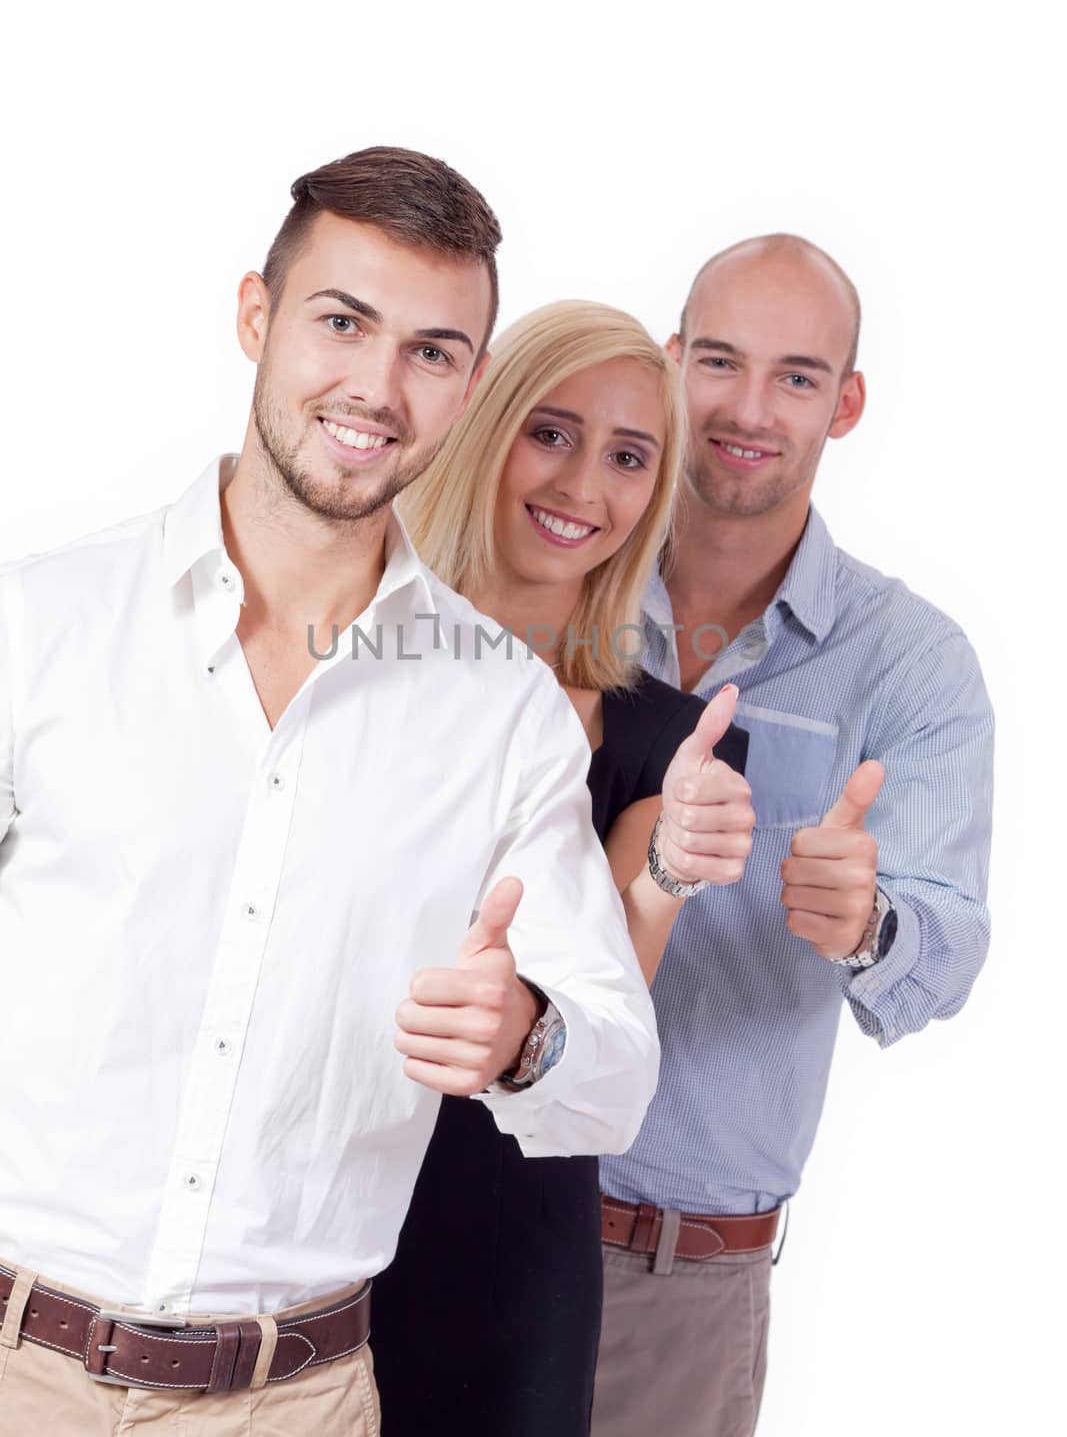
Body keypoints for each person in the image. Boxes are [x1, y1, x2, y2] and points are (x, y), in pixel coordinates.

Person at [0, 147, 694, 1435]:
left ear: (467, 384)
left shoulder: (499, 714)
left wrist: (524, 1036)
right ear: (256, 316)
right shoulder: (37, 628)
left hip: (294, 1401)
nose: (376, 388)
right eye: (341, 321)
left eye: (431, 350)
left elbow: (615, 1074)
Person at [591, 234, 995, 1437]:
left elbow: (948, 950)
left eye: (797, 376)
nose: (747, 409)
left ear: (846, 401)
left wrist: (865, 918)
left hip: (669, 1276)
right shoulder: (561, 572)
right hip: (454, 1206)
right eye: (717, 361)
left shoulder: (911, 661)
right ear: (667, 365)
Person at [370, 300, 755, 1434]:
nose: (583, 484)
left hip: (505, 1233)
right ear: (484, 427)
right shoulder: (351, 660)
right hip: (313, 1197)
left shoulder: (663, 737)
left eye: (629, 456)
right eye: (551, 431)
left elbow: (605, 1000)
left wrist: (669, 868)